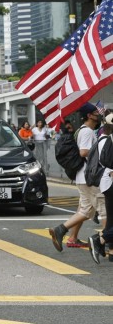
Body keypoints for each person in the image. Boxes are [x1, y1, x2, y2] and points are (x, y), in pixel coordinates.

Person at [49, 103, 105, 252]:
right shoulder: (87, 132)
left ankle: (60, 230)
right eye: (95, 112)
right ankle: (106, 244)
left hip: (84, 177)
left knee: (86, 211)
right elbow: (84, 152)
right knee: (104, 209)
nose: (98, 114)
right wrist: (102, 153)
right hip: (90, 177)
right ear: (89, 116)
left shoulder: (83, 130)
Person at [87, 113, 113, 263]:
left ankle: (103, 242)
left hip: (109, 184)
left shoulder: (109, 138)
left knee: (111, 220)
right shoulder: (107, 140)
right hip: (108, 184)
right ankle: (100, 240)